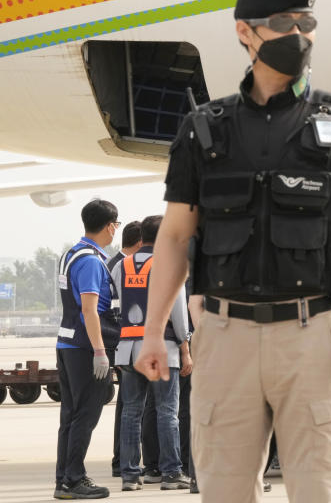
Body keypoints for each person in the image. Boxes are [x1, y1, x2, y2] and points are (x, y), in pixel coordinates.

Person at [135, 0, 331, 503]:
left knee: (320, 491)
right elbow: (176, 238)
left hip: (313, 337)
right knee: (224, 493)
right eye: (283, 24)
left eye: (307, 24)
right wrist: (154, 330)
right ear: (245, 33)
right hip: (224, 338)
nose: (298, 34)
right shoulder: (203, 129)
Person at [113, 215, 191, 492]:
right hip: (163, 349)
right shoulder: (169, 265)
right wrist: (185, 345)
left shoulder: (121, 265)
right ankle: (172, 473)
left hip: (128, 349)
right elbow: (179, 313)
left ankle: (130, 475)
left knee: (130, 413)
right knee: (167, 412)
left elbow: (116, 305)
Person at [54, 199, 122, 500]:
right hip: (85, 347)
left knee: (70, 415)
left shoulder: (71, 254)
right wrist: (100, 351)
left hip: (67, 343)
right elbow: (89, 310)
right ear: (110, 226)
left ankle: (64, 480)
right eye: (116, 224)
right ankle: (75, 479)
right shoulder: (92, 261)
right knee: (86, 414)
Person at [107, 220, 141, 479]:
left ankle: (122, 459)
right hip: (121, 343)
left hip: (123, 344)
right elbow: (111, 313)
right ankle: (122, 460)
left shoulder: (116, 264)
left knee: (128, 405)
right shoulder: (117, 267)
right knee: (128, 406)